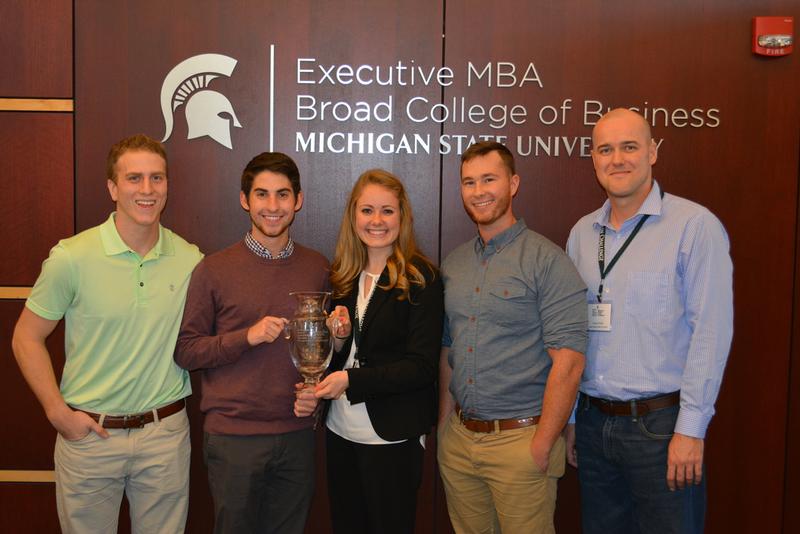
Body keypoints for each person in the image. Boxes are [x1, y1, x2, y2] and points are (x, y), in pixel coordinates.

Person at [11, 134, 203, 533]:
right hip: (90, 439)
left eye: (157, 178)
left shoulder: (190, 260)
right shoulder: (71, 258)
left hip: (164, 437)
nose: (147, 190)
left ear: (168, 185)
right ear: (113, 188)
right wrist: (57, 412)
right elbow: (26, 337)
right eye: (134, 179)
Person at [566, 108, 733, 534]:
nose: (617, 159)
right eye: (605, 149)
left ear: (653, 152)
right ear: (593, 158)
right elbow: (570, 333)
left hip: (661, 430)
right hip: (592, 423)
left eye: (629, 147)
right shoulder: (583, 233)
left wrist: (691, 431)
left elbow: (710, 335)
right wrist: (570, 420)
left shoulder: (695, 227)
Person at [174, 152, 340, 534]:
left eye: (283, 195)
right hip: (234, 439)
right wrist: (245, 337)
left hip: (297, 434)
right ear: (244, 200)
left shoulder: (317, 267)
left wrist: (315, 390)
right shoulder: (212, 269)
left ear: (298, 201)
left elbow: (323, 349)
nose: (272, 206)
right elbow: (187, 351)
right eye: (261, 194)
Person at [437, 141, 588, 533]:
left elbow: (569, 363)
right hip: (460, 440)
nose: (479, 191)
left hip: (520, 442)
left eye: (489, 179)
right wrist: (443, 427)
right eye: (469, 182)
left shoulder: (547, 260)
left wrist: (542, 444)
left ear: (513, 183)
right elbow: (447, 350)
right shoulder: (454, 264)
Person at [306, 169, 443, 534]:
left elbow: (421, 367)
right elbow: (343, 354)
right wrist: (338, 340)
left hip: (392, 435)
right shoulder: (343, 275)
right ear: (353, 216)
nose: (376, 221)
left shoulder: (421, 279)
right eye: (367, 210)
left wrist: (350, 379)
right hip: (340, 431)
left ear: (403, 217)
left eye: (387, 211)